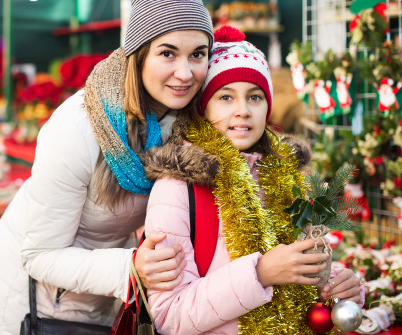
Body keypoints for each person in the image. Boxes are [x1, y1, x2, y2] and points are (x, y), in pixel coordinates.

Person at [0, 1, 214, 334]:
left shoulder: (182, 121)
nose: (185, 73)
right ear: (137, 54)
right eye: (168, 53)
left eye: (197, 55)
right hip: (31, 305)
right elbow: (40, 256)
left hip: (100, 297)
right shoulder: (80, 128)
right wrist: (129, 266)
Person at [142, 26, 366, 335]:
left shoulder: (286, 179)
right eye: (226, 97)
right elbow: (169, 318)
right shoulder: (178, 187)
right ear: (203, 108)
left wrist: (340, 283)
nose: (243, 111)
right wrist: (259, 273)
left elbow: (304, 266)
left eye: (255, 97)